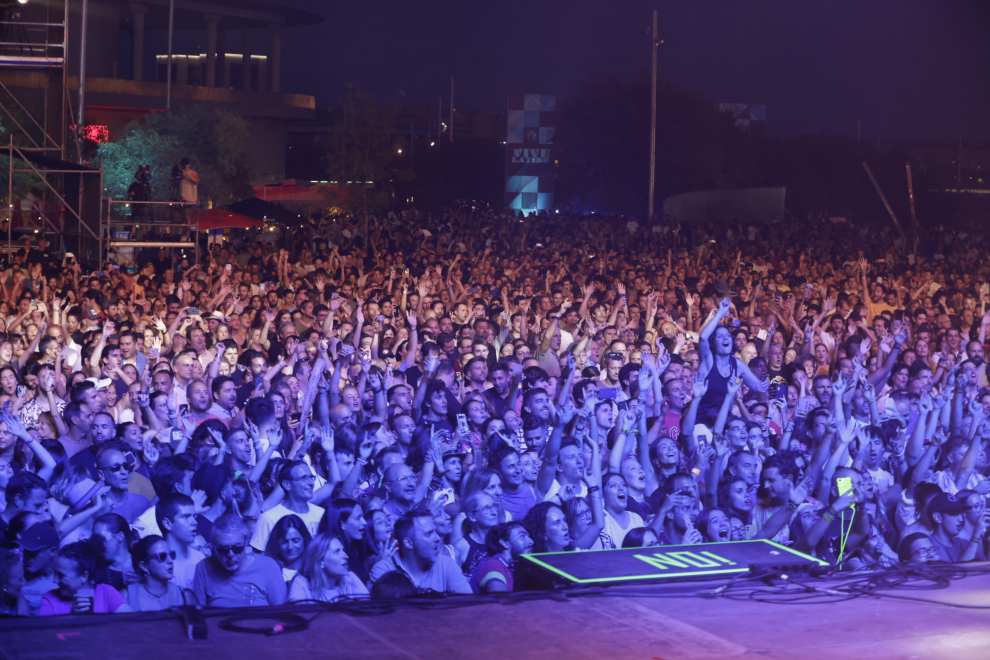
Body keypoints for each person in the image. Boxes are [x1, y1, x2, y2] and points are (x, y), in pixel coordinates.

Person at [192, 514, 287, 608]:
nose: (230, 555)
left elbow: (281, 613)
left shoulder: (268, 567)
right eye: (223, 549)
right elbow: (199, 616)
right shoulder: (203, 568)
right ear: (214, 546)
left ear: (246, 542)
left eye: (237, 548)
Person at [368, 510, 471, 594]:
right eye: (429, 534)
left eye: (435, 531)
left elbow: (467, 605)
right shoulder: (384, 570)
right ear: (408, 543)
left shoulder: (447, 564)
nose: (437, 538)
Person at [40, 542, 132, 615]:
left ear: (84, 576)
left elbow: (133, 624)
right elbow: (46, 636)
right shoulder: (50, 599)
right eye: (54, 573)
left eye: (61, 575)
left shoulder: (105, 592)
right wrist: (72, 616)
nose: (55, 580)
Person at [251, 460, 324, 551]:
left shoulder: (321, 514)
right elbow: (259, 558)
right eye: (304, 478)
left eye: (311, 477)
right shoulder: (268, 518)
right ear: (287, 484)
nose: (311, 483)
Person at [287, 533, 369, 602]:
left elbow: (369, 612)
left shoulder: (350, 578)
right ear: (320, 561)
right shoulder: (302, 583)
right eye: (337, 552)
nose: (346, 556)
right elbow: (296, 618)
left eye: (343, 551)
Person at [469, 522, 533, 594]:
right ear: (505, 543)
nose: (531, 541)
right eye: (522, 536)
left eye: (529, 537)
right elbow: (501, 600)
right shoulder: (493, 564)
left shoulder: (515, 568)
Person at [126, 535, 184, 611]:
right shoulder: (126, 597)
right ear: (144, 566)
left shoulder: (184, 595)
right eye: (162, 556)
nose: (170, 561)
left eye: (171, 555)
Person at [264, 514, 311, 584]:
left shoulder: (314, 569)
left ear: (304, 539)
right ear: (277, 543)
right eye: (284, 542)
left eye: (296, 541)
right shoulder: (269, 569)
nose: (290, 547)